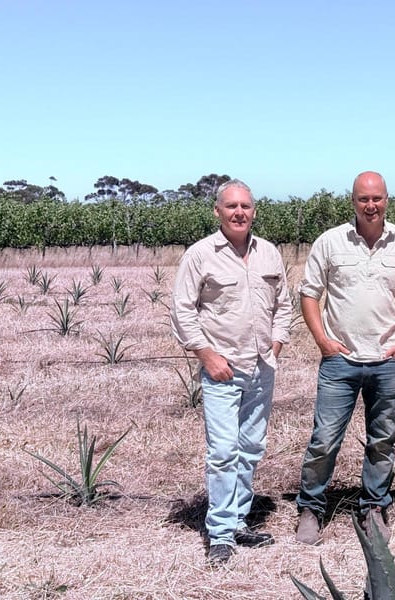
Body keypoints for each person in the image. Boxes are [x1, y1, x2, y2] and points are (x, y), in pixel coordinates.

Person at [294, 171, 395, 545]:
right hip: (340, 361)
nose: (371, 206)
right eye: (363, 199)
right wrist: (322, 339)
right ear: (352, 201)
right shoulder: (331, 242)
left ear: (388, 199)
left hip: (388, 360)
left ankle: (373, 506)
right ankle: (311, 507)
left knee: (382, 439)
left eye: (377, 198)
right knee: (324, 439)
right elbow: (309, 293)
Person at [171, 179, 292, 565]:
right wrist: (207, 355)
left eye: (246, 206)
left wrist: (275, 345)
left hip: (261, 367)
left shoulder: (269, 253)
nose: (239, 213)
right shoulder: (200, 254)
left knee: (251, 448)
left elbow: (283, 306)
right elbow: (183, 310)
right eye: (231, 207)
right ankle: (220, 532)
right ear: (217, 212)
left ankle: (239, 520)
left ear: (254, 211)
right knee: (223, 452)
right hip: (222, 369)